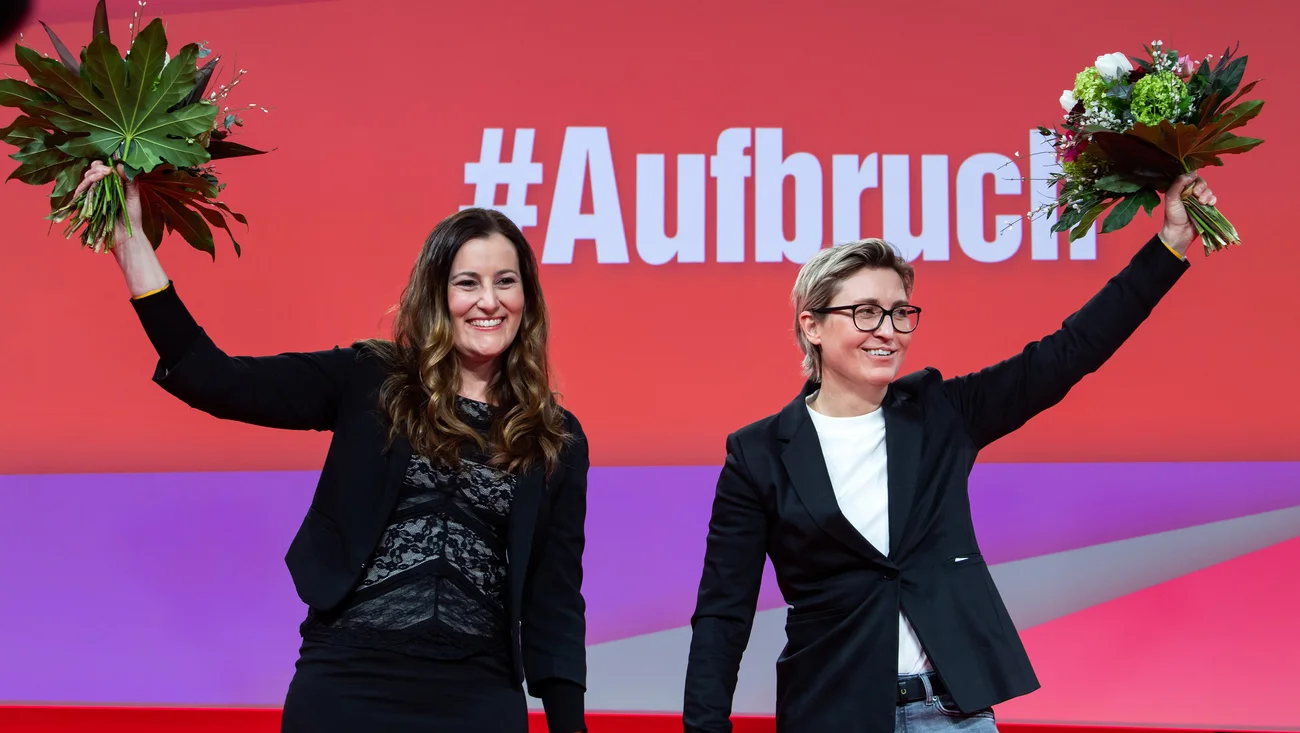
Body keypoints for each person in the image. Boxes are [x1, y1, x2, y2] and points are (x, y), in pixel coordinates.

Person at [683, 173, 1219, 733]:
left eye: (900, 312)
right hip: (832, 711)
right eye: (865, 312)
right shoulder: (759, 452)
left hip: (952, 713)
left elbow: (1068, 353)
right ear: (811, 326)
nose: (887, 330)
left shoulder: (940, 412)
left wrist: (1171, 244)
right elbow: (724, 610)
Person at [74, 162, 589, 733]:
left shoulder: (554, 436)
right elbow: (212, 379)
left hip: (478, 699)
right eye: (467, 282)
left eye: (505, 281)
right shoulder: (371, 379)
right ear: (437, 294)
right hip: (348, 684)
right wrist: (130, 246)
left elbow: (555, 602)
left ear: (527, 297)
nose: (488, 301)